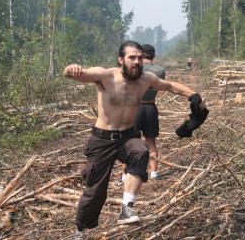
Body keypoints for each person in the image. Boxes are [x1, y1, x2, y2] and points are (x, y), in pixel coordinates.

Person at [64, 41, 206, 239]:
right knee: (95, 192)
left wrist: (194, 95)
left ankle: (127, 208)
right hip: (102, 139)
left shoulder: (146, 79)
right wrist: (71, 69)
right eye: (132, 57)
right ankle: (80, 230)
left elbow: (170, 86)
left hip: (127, 136)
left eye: (139, 57)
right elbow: (78, 74)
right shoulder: (105, 76)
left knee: (141, 151)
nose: (137, 61)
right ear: (121, 60)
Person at [119, 44, 166, 183]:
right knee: (151, 141)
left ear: (141, 55)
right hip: (151, 107)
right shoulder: (160, 70)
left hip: (135, 108)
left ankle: (124, 175)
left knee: (128, 141)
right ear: (153, 55)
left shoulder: (136, 69)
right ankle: (154, 173)